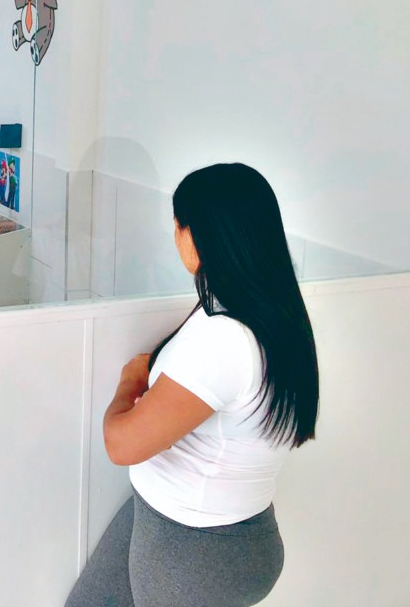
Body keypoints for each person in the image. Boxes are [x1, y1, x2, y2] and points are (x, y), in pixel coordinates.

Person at [65, 163, 320, 607]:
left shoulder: (227, 338)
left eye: (179, 225)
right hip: (187, 527)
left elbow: (121, 444)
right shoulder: (269, 313)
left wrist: (130, 382)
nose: (176, 236)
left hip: (194, 552)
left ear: (201, 236)